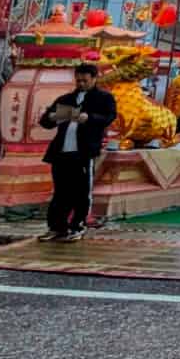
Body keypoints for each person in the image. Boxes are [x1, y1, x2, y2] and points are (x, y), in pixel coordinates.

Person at [38, 61, 116, 243]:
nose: (81, 84)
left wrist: (89, 118)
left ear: (94, 79)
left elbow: (109, 117)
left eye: (85, 81)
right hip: (61, 152)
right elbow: (45, 121)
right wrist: (52, 116)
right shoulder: (65, 99)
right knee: (60, 192)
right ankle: (56, 227)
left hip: (83, 152)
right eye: (78, 80)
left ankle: (77, 225)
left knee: (81, 192)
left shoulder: (103, 99)